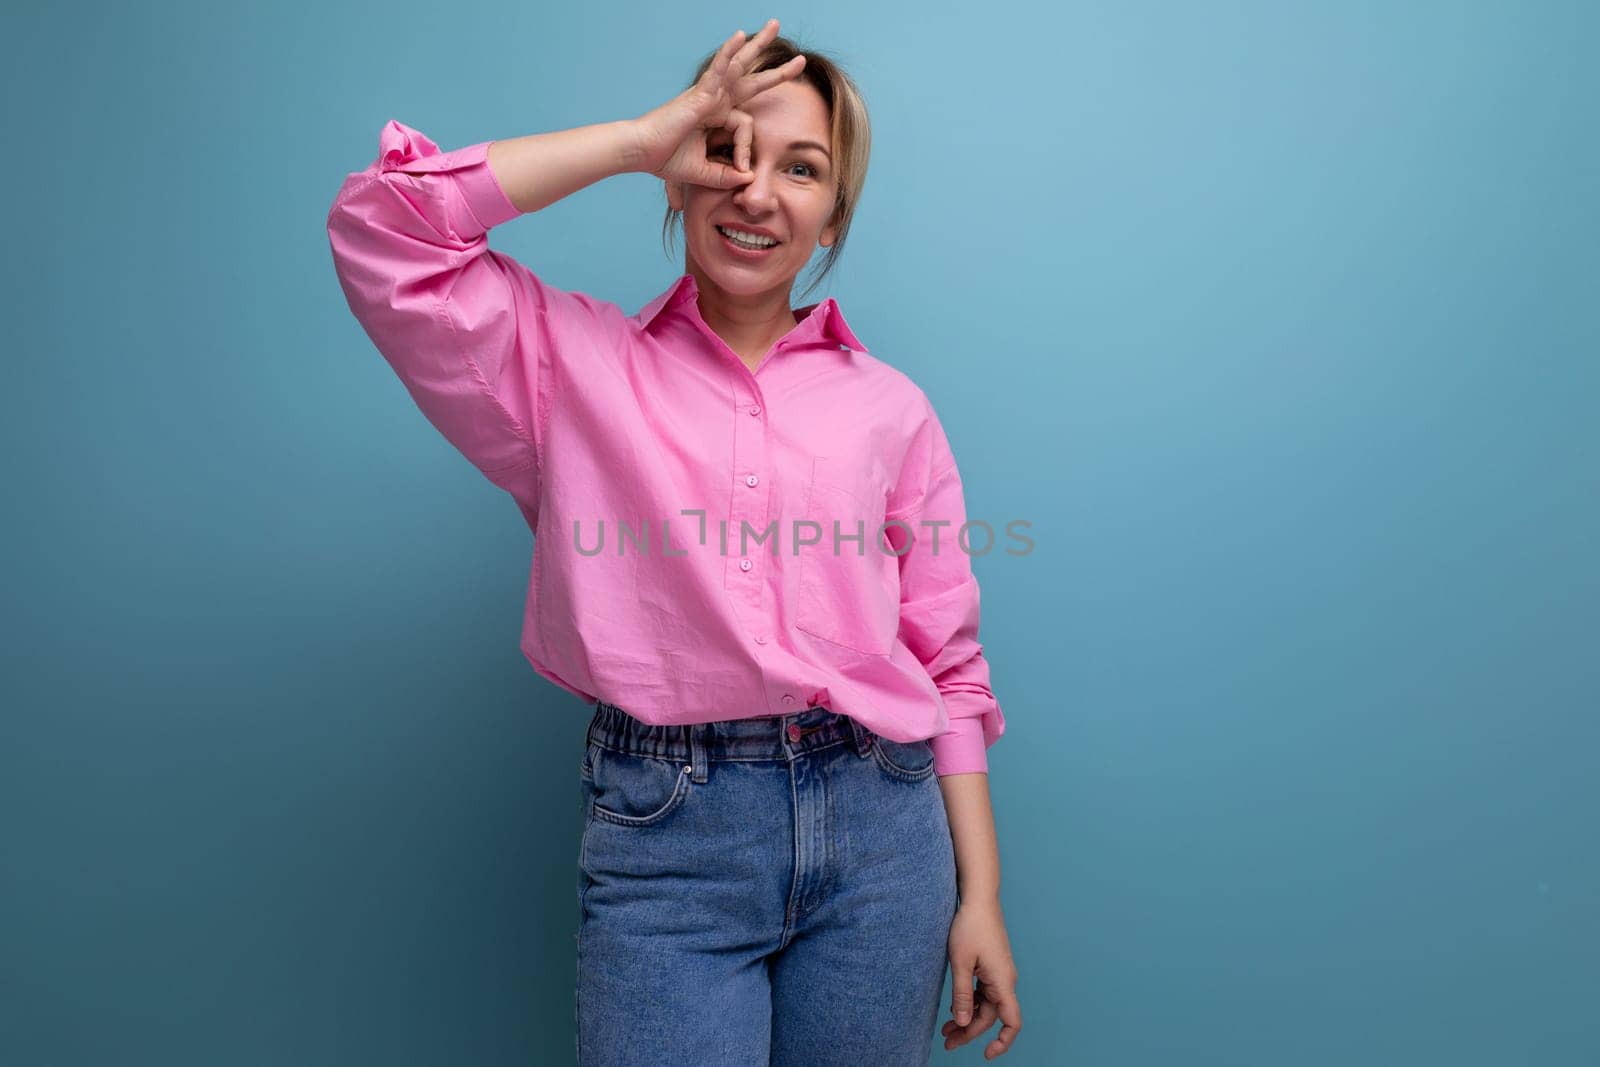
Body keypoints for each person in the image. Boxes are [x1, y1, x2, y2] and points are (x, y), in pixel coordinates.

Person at [326, 18, 1021, 1064]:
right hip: (670, 835)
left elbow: (949, 667)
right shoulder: (567, 365)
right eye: (728, 151)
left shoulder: (893, 410)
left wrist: (981, 897)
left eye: (801, 168)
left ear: (833, 217)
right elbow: (388, 226)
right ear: (681, 176)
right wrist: (639, 138)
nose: (757, 191)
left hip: (885, 830)